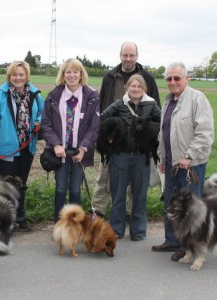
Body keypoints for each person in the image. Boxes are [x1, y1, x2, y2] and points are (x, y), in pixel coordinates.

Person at [151, 62, 214, 261]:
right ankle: (172, 240)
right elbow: (164, 133)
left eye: (177, 78)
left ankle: (190, 248)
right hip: (171, 164)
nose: (172, 82)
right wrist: (162, 158)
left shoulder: (197, 99)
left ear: (186, 78)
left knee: (190, 209)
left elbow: (205, 133)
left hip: (190, 166)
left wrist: (189, 156)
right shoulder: (169, 101)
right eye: (169, 78)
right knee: (171, 204)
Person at [92, 41, 161, 218]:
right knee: (104, 176)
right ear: (120, 55)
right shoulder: (110, 76)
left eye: (131, 55)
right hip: (112, 138)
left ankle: (130, 213)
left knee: (134, 181)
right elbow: (102, 106)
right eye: (125, 55)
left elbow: (156, 109)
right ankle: (98, 211)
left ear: (137, 56)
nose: (128, 59)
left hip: (137, 140)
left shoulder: (147, 77)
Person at [0, 61, 44, 232]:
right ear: (9, 76)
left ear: (27, 76)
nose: (18, 78)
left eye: (21, 74)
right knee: (7, 188)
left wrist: (39, 121)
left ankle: (20, 217)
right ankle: (5, 222)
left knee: (21, 184)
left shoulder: (35, 95)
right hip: (7, 150)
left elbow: (42, 112)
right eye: (14, 74)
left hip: (27, 148)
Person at [101, 74, 161, 240]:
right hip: (121, 156)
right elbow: (101, 120)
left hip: (142, 157)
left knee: (140, 196)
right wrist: (111, 138)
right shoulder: (118, 105)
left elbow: (164, 124)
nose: (135, 89)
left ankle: (138, 231)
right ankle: (116, 230)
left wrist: (152, 132)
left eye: (139, 87)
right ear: (127, 87)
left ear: (144, 89)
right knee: (118, 195)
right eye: (132, 86)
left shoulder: (151, 105)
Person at [41, 58, 100, 221]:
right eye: (68, 72)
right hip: (60, 152)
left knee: (75, 189)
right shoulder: (54, 95)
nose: (72, 75)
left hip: (79, 152)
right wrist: (56, 144)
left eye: (76, 71)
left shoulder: (91, 96)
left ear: (81, 74)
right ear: (63, 74)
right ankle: (60, 224)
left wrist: (83, 148)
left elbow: (94, 126)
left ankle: (76, 224)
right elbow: (46, 123)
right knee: (60, 187)